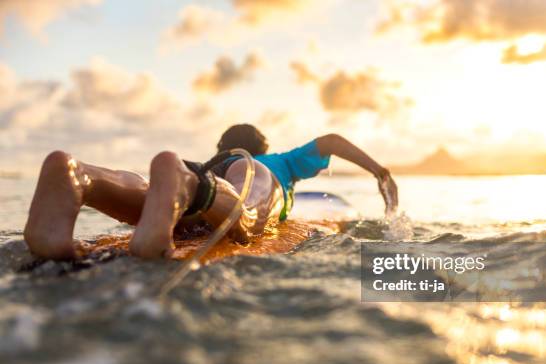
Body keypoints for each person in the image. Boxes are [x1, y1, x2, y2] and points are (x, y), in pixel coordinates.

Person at [24, 124, 398, 259]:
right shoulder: (273, 162)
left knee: (150, 199)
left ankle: (80, 177)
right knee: (247, 216)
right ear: (261, 146)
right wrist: (380, 171)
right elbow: (331, 140)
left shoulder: (215, 163)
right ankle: (190, 184)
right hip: (225, 182)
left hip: (202, 174)